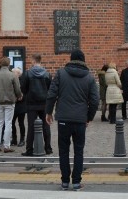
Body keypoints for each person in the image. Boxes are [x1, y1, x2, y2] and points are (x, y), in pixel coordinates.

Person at [45, 49, 99, 191]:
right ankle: (76, 182)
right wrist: (89, 117)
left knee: (63, 151)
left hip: (63, 118)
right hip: (80, 119)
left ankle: (64, 182)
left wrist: (48, 112)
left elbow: (51, 94)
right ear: (84, 60)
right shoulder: (89, 77)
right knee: (79, 151)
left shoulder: (61, 74)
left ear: (71, 59)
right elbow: (95, 100)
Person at [0, 57, 23, 153]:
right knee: (8, 123)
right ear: (8, 65)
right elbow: (17, 89)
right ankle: (6, 146)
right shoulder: (12, 76)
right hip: (10, 102)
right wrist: (19, 96)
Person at [21, 54, 52, 156]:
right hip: (44, 104)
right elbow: (50, 89)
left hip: (31, 104)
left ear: (33, 61)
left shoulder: (27, 74)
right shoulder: (47, 74)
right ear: (40, 61)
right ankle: (48, 148)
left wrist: (28, 95)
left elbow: (23, 88)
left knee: (31, 127)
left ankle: (29, 149)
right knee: (46, 126)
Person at [11, 68, 26, 147]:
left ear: (18, 73)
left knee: (21, 123)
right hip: (13, 104)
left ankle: (22, 139)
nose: (12, 74)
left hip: (21, 105)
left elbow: (25, 92)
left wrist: (22, 97)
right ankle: (14, 139)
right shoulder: (12, 80)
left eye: (13, 72)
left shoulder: (23, 81)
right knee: (12, 123)